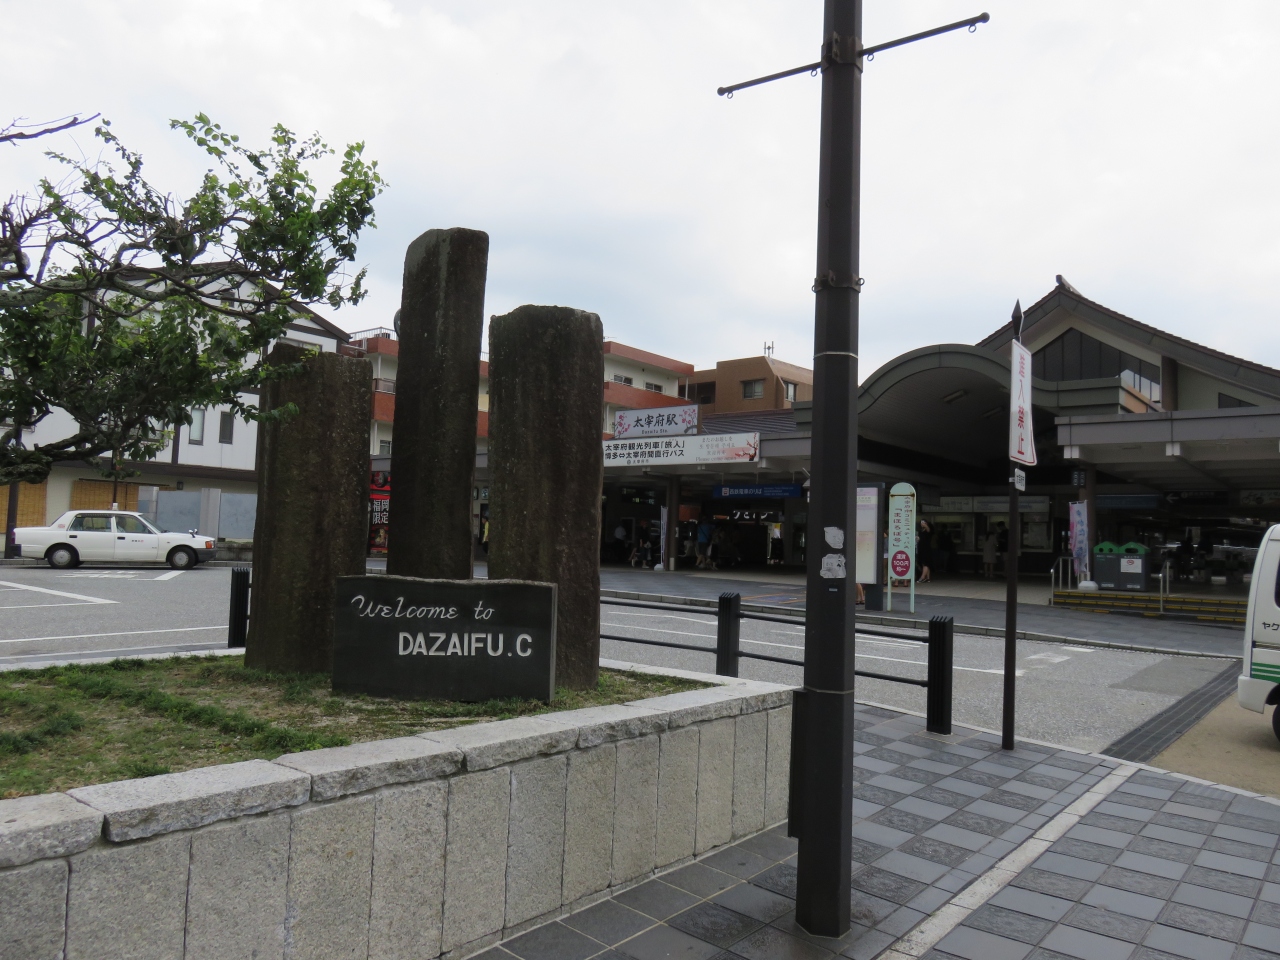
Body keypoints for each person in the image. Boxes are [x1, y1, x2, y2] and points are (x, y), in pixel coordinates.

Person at [916, 519, 932, 583]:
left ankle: (922, 577)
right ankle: (927, 577)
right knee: (923, 563)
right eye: (921, 522)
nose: (922, 523)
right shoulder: (920, 531)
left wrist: (926, 526)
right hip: (921, 548)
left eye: (923, 522)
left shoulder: (928, 530)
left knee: (926, 563)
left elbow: (928, 530)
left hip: (926, 548)